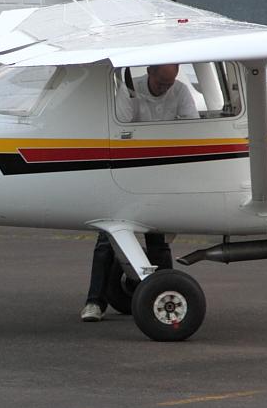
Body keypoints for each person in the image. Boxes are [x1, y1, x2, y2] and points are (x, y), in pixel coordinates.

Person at [81, 63, 196, 322]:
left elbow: (191, 126)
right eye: (161, 84)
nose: (165, 89)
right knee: (107, 240)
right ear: (150, 73)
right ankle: (94, 302)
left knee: (158, 239)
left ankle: (163, 295)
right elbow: (121, 125)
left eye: (170, 84)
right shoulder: (129, 91)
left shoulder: (180, 91)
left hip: (159, 173)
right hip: (127, 172)